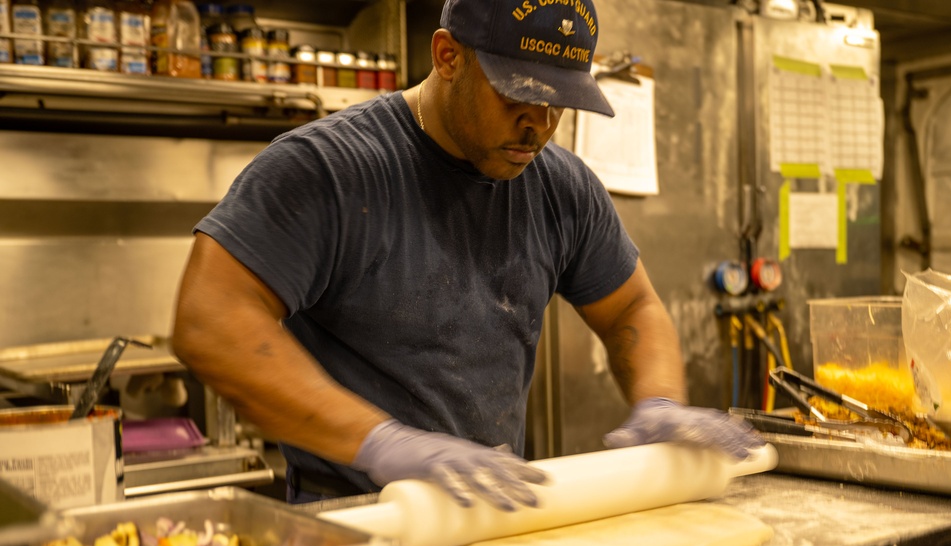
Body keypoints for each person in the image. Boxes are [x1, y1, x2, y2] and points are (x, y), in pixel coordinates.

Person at [171, 0, 765, 511]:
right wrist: (383, 442)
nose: (539, 124)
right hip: (360, 519)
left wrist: (659, 401)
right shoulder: (329, 170)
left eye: (559, 102)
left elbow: (632, 306)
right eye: (517, 94)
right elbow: (211, 319)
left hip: (496, 507)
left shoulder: (562, 187)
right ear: (448, 55)